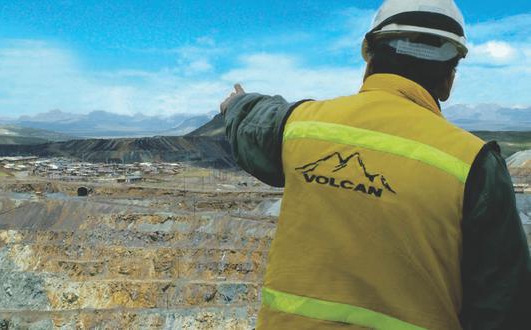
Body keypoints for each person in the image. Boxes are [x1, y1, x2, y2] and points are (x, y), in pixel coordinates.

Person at [219, 0, 531, 329]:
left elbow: (256, 121)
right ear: (448, 80)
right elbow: (505, 308)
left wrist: (235, 104)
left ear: (369, 60)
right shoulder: (475, 165)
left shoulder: (301, 127)